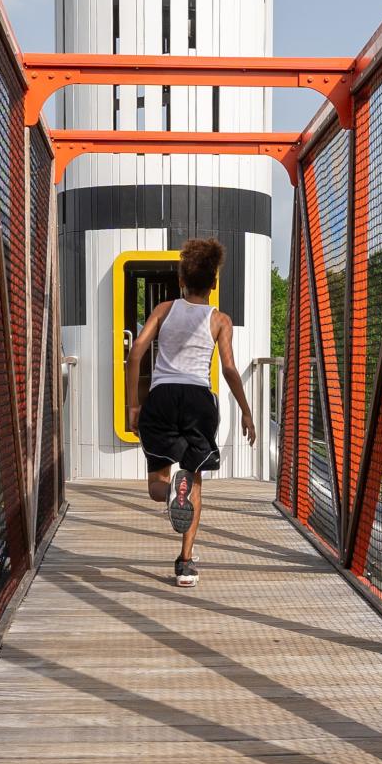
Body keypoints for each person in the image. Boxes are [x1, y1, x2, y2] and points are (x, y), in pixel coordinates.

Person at [127, 238, 257, 588]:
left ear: (181, 280)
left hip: (162, 397)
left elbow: (137, 352)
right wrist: (246, 411)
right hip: (199, 399)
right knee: (194, 481)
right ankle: (185, 564)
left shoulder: (165, 309)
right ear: (213, 284)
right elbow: (229, 369)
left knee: (158, 482)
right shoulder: (219, 320)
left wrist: (133, 405)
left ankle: (169, 492)